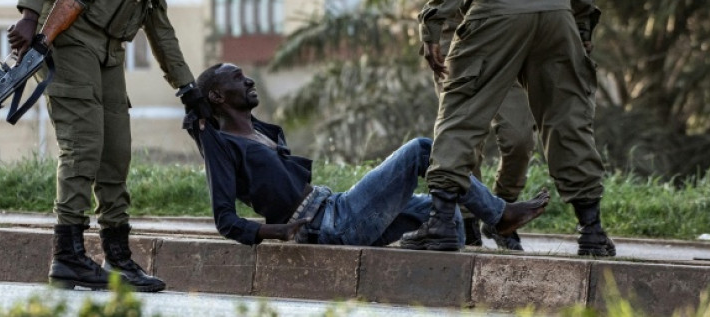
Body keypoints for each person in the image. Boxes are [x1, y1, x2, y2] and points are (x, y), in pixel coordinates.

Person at [399, 0, 614, 257]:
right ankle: (592, 232)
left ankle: (443, 223)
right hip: (555, 15)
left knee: (461, 115)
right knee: (568, 120)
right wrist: (583, 28)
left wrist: (434, 20)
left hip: (497, 11)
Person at [7, 0, 212, 292]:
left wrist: (187, 87)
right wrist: (28, 15)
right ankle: (68, 256)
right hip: (69, 40)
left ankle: (119, 258)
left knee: (116, 153)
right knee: (83, 146)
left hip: (110, 55)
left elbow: (159, 26)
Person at [185, 62, 549, 248]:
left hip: (337, 207)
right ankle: (499, 216)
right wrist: (275, 231)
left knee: (449, 219)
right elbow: (225, 220)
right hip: (329, 223)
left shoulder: (258, 131)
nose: (248, 80)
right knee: (421, 149)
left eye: (245, 75)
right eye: (236, 78)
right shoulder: (223, 145)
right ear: (216, 97)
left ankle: (418, 240)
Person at [394, 0, 535, 251]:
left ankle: (500, 212)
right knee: (466, 142)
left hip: (502, 40)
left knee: (519, 137)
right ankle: (472, 220)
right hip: (456, 44)